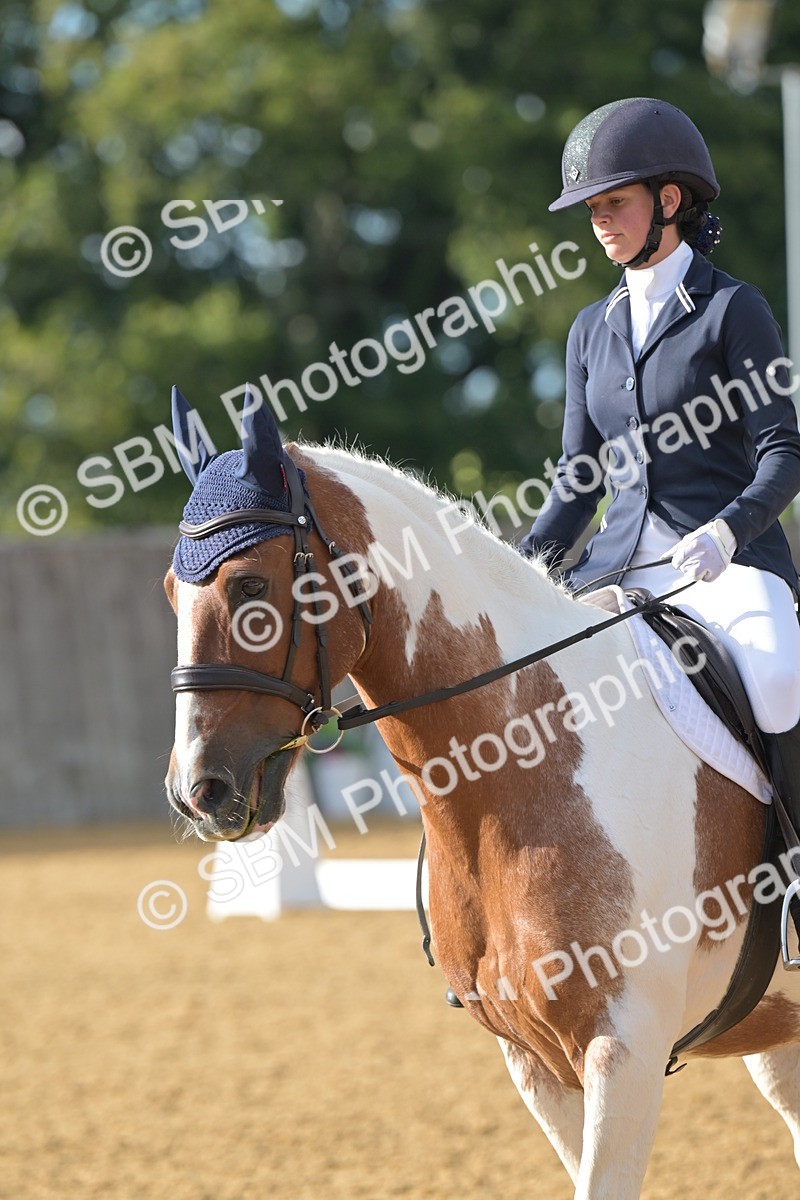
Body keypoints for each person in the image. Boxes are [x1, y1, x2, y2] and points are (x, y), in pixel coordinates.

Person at [519, 97, 800, 892]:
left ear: (668, 201)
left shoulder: (732, 310)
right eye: (593, 210)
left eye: (615, 203)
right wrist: (518, 570)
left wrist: (728, 532)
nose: (601, 222)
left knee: (780, 679)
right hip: (616, 570)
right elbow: (579, 481)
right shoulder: (589, 330)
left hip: (719, 564)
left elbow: (784, 451)